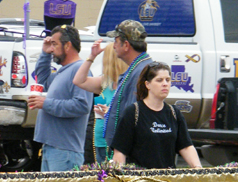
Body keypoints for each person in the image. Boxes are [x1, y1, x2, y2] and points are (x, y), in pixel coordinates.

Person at [111, 62, 201, 170]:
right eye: (159, 80)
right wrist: (121, 177)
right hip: (140, 180)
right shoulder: (132, 112)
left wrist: (198, 168)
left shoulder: (174, 113)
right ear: (147, 84)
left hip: (168, 180)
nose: (165, 84)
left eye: (167, 80)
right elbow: (120, 151)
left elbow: (186, 147)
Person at [29, 25, 93, 172]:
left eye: (54, 44)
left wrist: (46, 103)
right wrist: (44, 54)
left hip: (65, 152)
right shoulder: (63, 71)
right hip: (52, 148)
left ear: (68, 45)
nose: (52, 49)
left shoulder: (80, 70)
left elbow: (82, 105)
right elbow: (43, 80)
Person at [98, 20, 152, 149]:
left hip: (130, 152)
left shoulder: (141, 72)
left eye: (116, 41)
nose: (114, 46)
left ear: (126, 45)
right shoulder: (137, 68)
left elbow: (134, 117)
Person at [72, 40, 127, 163]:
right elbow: (78, 81)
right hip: (100, 141)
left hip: (116, 142)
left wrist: (109, 114)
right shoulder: (106, 82)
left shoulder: (127, 83)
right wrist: (92, 56)